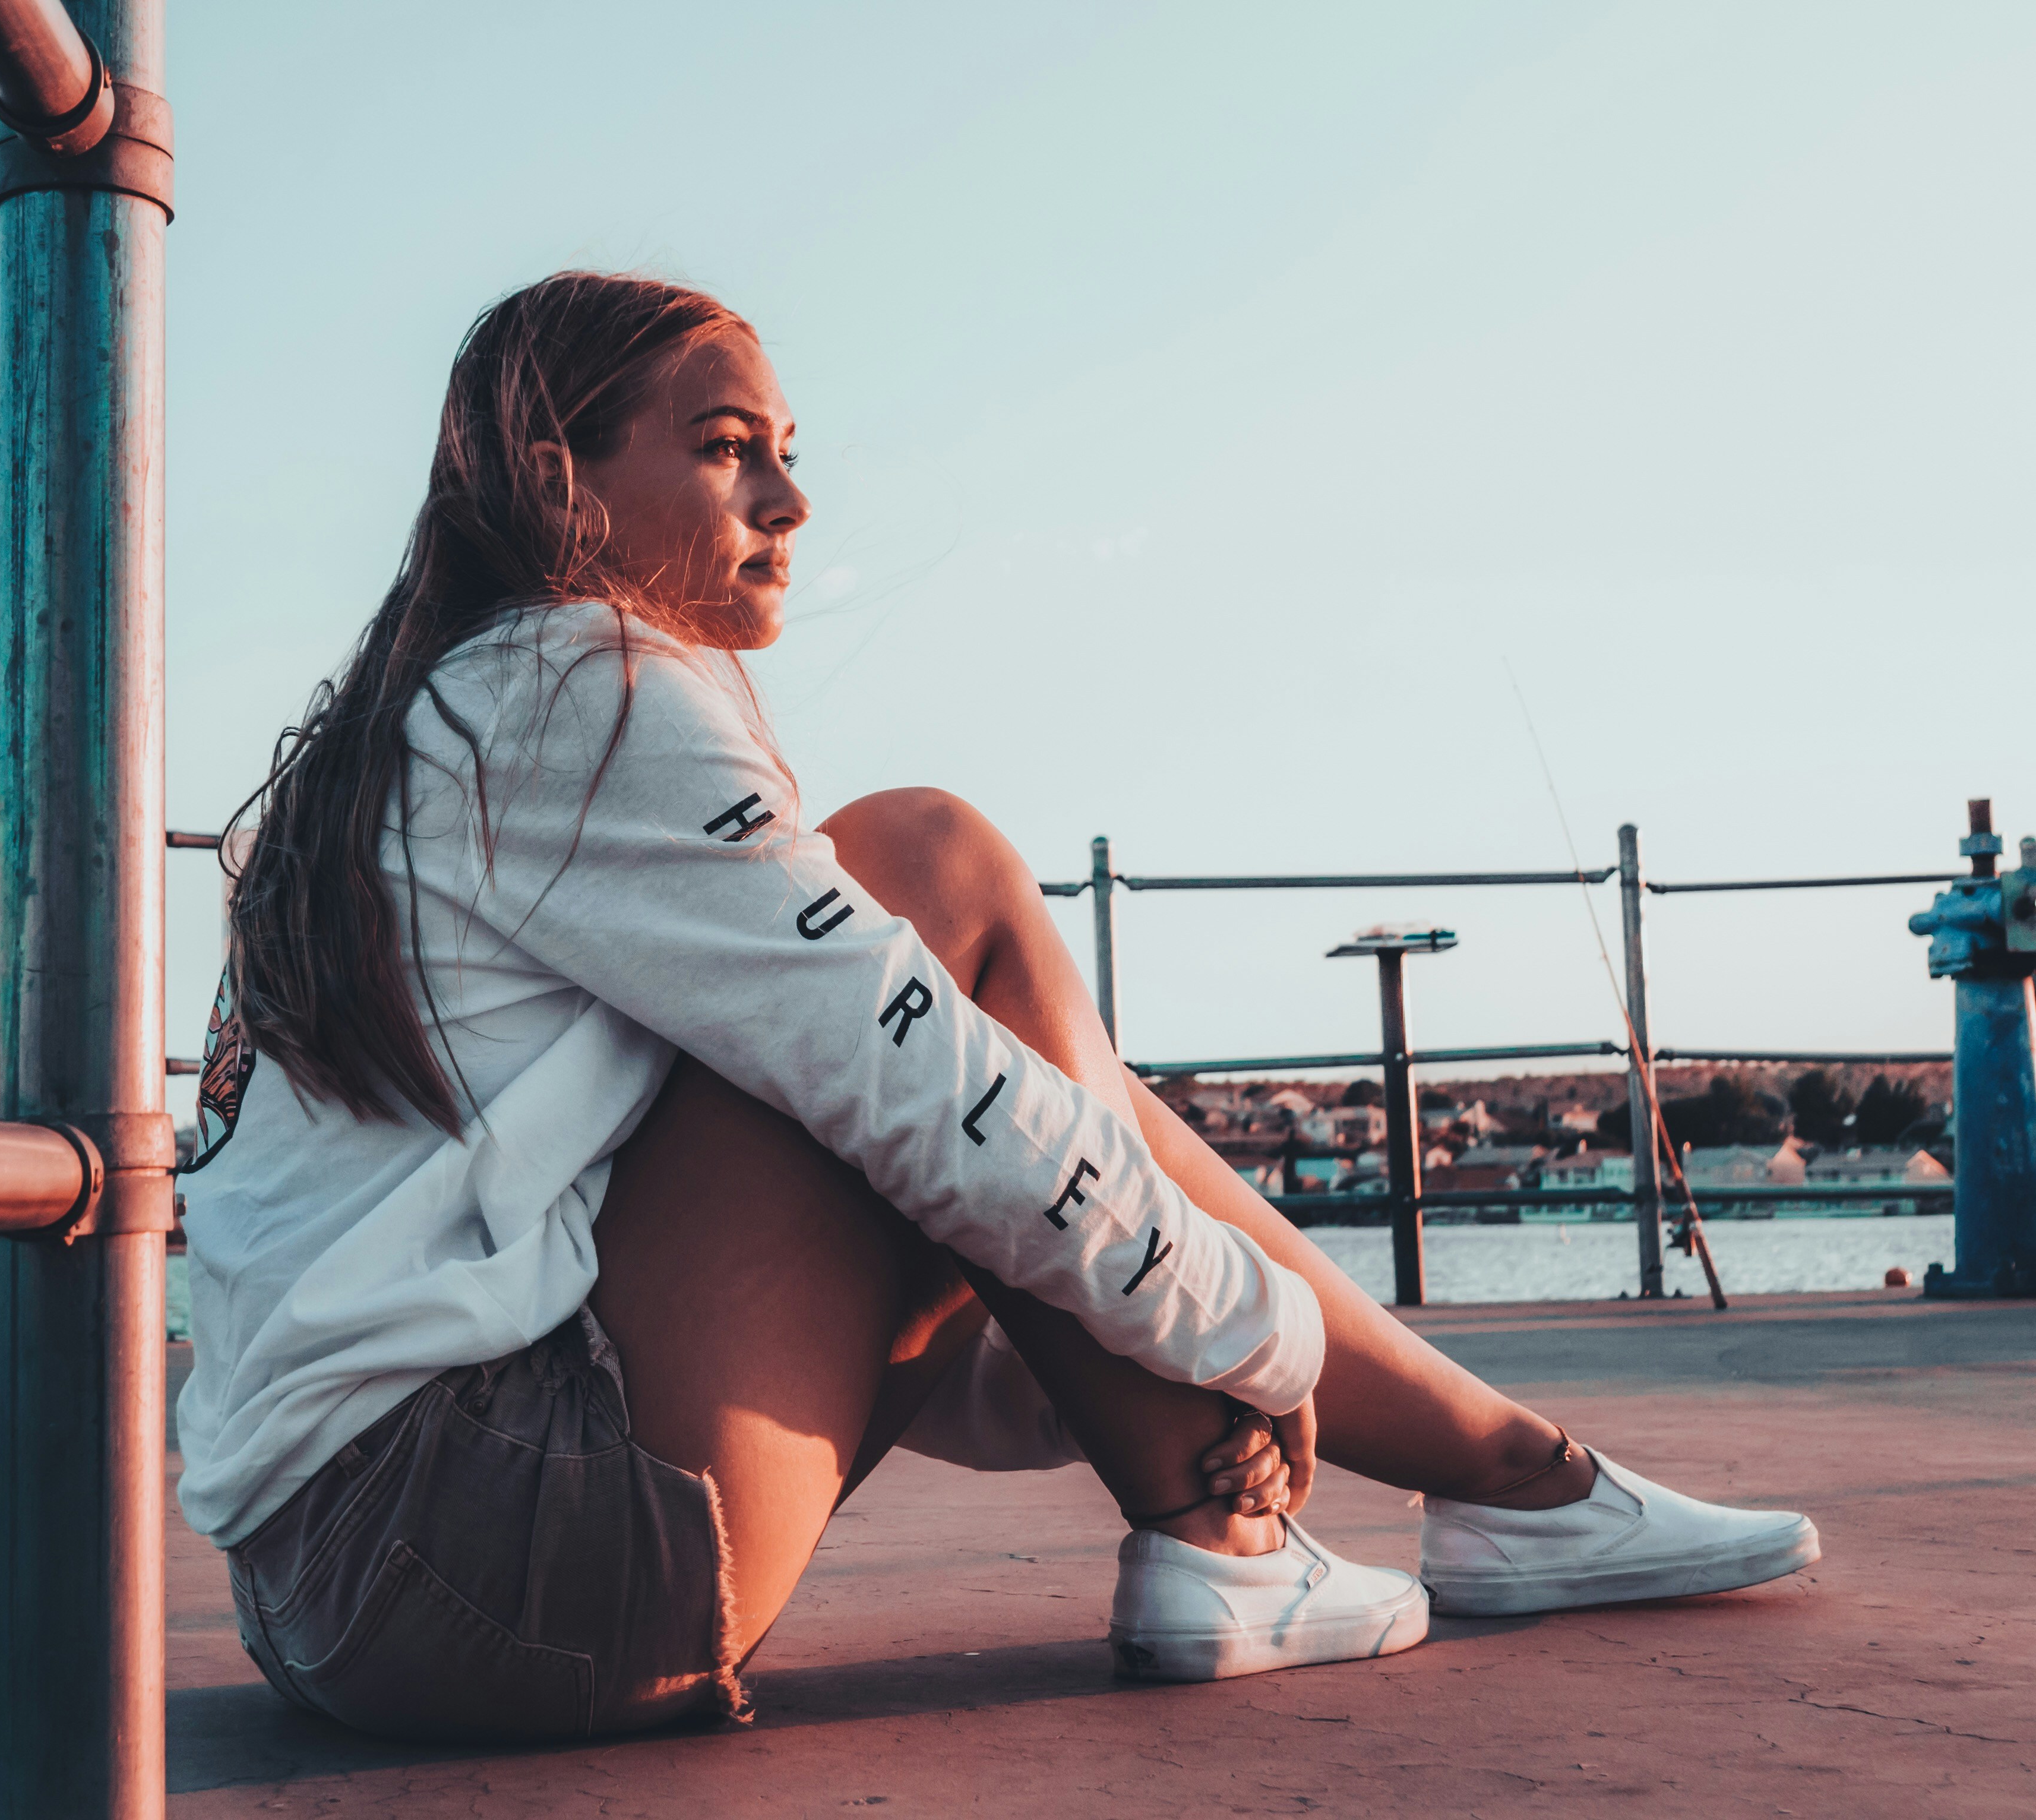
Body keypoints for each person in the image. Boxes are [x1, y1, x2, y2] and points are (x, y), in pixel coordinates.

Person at [173, 273, 1817, 1742]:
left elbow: (888, 1158)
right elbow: (917, 1099)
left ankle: (1502, 1479)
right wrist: (1251, 1344)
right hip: (495, 1562)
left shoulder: (419, 726)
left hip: (348, 1591)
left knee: (976, 1060)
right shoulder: (572, 688)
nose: (790, 499)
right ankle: (1355, 1516)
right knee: (932, 872)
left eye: (787, 451)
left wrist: (1129, 1353)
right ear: (560, 484)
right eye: (729, 449)